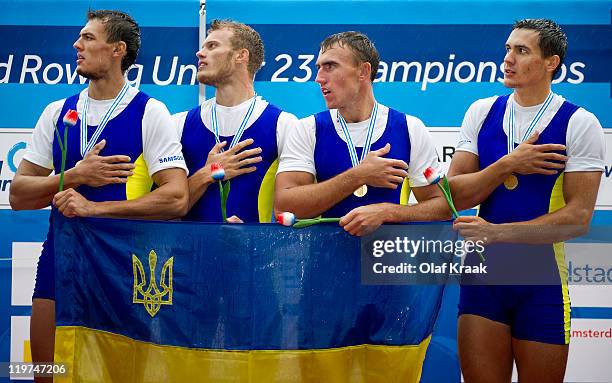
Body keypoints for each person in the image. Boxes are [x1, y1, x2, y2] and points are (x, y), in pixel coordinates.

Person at [10, 10, 188, 382]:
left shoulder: (150, 112)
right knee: (47, 372)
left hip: (123, 265)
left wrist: (94, 207)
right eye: (79, 38)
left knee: (120, 374)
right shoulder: (57, 111)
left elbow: (176, 198)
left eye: (89, 38)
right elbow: (19, 195)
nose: (77, 45)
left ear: (117, 49)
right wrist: (72, 176)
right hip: (62, 258)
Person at [448, 19, 605, 382]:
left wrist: (497, 234)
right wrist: (508, 164)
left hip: (542, 281)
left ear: (551, 62)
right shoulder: (482, 111)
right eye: (507, 49)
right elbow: (455, 193)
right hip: (483, 279)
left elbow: (578, 218)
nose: (508, 59)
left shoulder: (579, 123)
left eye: (521, 51)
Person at [275, 31, 449, 235]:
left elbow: (442, 207)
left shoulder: (410, 128)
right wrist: (358, 176)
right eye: (319, 68)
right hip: (326, 261)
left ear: (363, 71)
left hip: (387, 263)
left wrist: (388, 212)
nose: (318, 78)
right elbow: (284, 206)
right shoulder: (308, 128)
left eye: (329, 66)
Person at [174, 19, 298, 223]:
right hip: (190, 253)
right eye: (202, 47)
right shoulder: (178, 123)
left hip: (255, 254)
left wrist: (252, 237)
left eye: (212, 46)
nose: (199, 53)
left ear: (241, 55)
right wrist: (208, 173)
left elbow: (295, 210)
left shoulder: (284, 125)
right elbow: (164, 208)